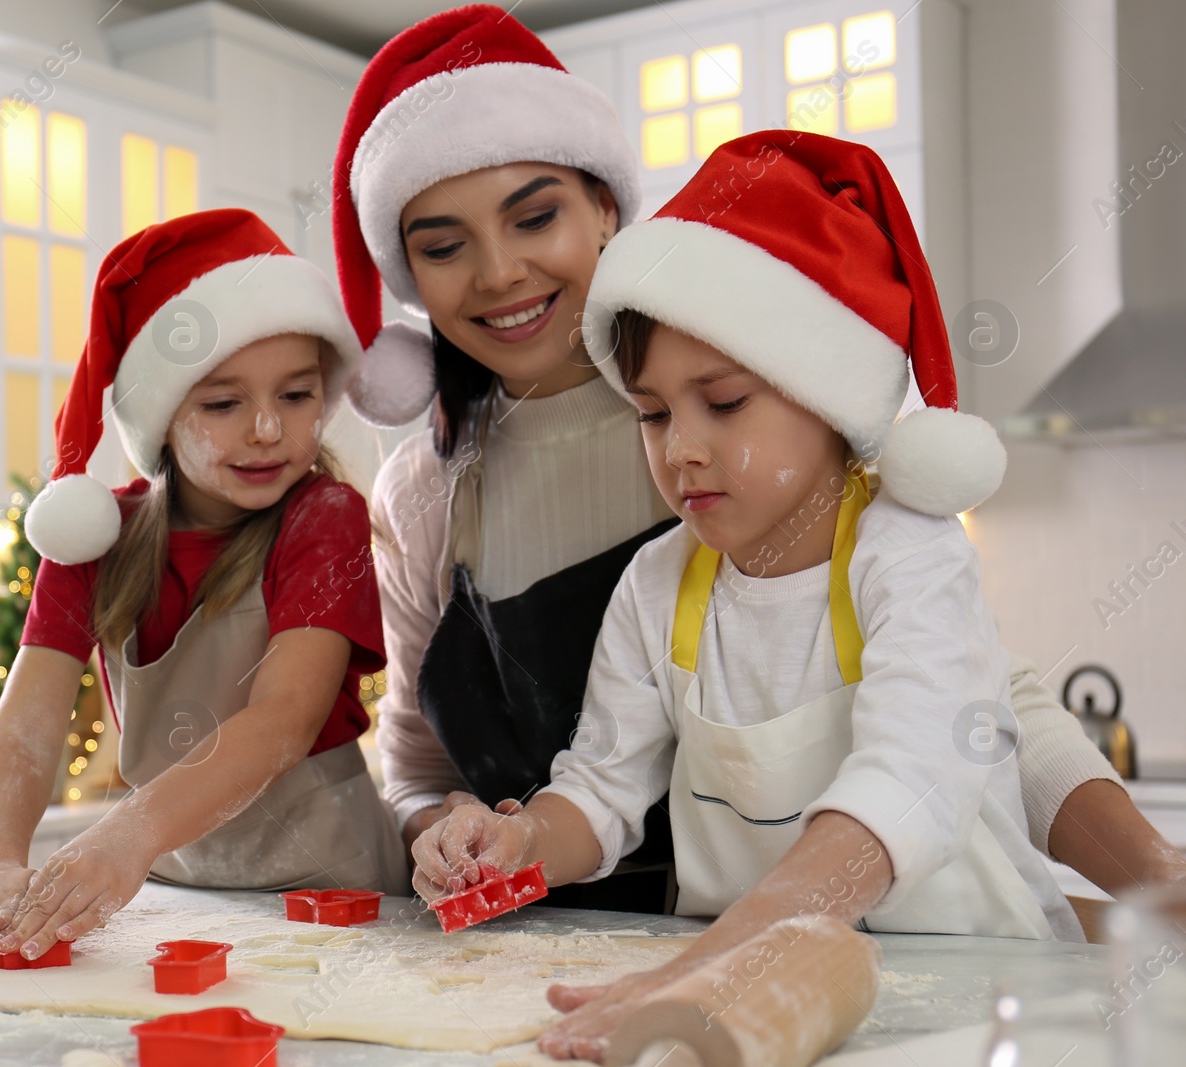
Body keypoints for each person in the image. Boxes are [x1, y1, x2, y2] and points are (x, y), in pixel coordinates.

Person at [332, 4, 1180, 915]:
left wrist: (1156, 880)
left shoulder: (780, 419)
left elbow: (979, 706)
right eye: (444, 246)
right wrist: (470, 838)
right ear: (408, 276)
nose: (497, 272)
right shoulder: (427, 497)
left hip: (779, 930)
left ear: (607, 206)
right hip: (584, 942)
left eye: (534, 216)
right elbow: (427, 767)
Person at [411, 132, 1090, 1059]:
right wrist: (520, 842)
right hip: (745, 1014)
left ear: (827, 395)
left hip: (974, 1003)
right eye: (652, 413)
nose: (679, 448)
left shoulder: (906, 555)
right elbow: (600, 793)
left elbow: (909, 780)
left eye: (722, 403)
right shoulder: (660, 584)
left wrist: (722, 954)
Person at [0, 209, 408, 961]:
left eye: (296, 395)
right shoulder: (96, 540)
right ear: (160, 416)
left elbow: (284, 718)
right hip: (177, 891)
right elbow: (27, 725)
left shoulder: (325, 517)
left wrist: (127, 832)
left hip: (335, 892)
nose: (265, 428)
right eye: (223, 403)